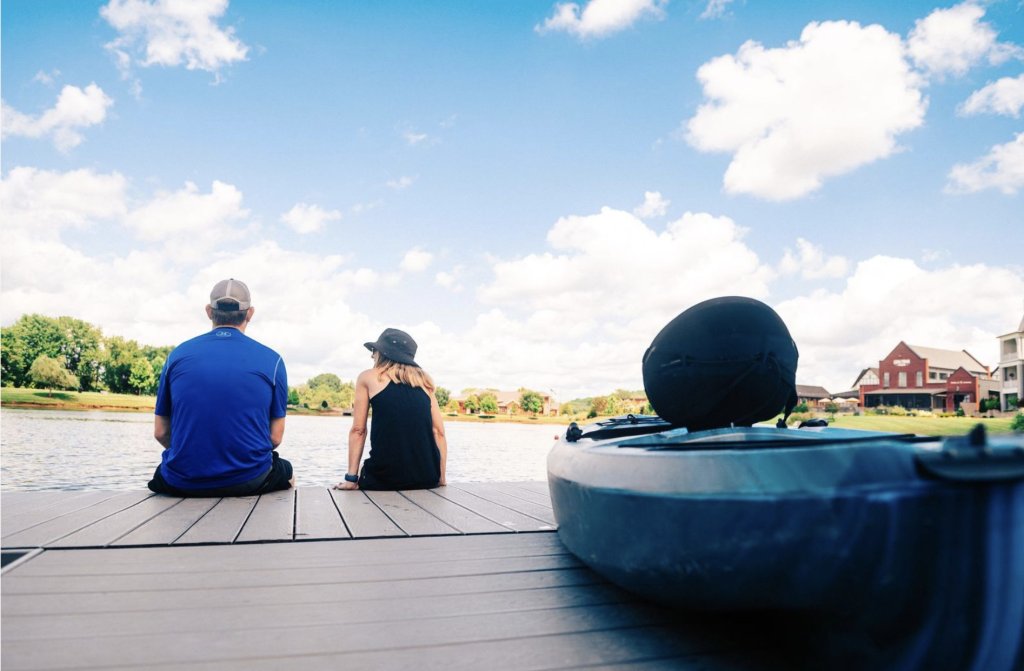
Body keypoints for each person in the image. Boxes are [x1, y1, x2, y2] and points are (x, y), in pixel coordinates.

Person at [148, 278, 294, 497]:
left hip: (182, 480)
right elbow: (275, 438)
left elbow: (160, 432)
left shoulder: (176, 356)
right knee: (288, 473)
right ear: (250, 313)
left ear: (209, 311)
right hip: (249, 479)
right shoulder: (273, 360)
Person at [334, 328, 447, 491]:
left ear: (382, 353)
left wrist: (351, 479)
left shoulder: (368, 377)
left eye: (374, 350)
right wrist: (441, 477)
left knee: (365, 470)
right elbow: (439, 432)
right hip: (427, 478)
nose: (372, 355)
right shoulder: (425, 382)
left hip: (383, 479)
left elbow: (358, 430)